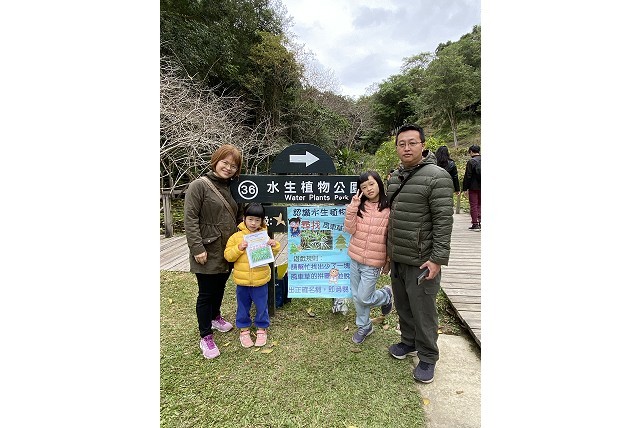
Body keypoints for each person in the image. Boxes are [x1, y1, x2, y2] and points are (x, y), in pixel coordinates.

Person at [386, 124, 454, 384]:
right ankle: (409, 341)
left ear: (423, 145)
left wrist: (437, 259)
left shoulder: (437, 177)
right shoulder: (395, 178)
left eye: (412, 143)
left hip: (423, 259)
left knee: (423, 309)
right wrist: (388, 253)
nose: (407, 148)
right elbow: (390, 218)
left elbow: (443, 222)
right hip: (399, 256)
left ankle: (428, 356)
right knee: (403, 304)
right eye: (401, 144)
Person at [184, 144, 243, 359]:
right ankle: (205, 336)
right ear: (216, 161)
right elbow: (190, 218)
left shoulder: (233, 187)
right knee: (206, 293)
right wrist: (197, 248)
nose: (228, 168)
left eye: (233, 166)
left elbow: (239, 217)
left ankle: (215, 317)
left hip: (227, 250)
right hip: (207, 249)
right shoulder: (199, 186)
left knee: (220, 287)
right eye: (225, 163)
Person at [343, 171, 393, 344]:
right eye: (364, 187)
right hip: (355, 257)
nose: (369, 189)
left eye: (371, 184)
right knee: (357, 295)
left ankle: (386, 295)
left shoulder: (389, 207)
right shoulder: (360, 206)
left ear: (379, 183)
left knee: (364, 297)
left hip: (373, 262)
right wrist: (353, 207)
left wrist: (388, 260)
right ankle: (364, 326)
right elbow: (349, 229)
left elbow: (391, 237)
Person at [224, 203, 281, 348]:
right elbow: (228, 256)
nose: (253, 223)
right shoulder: (236, 237)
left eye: (257, 220)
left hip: (260, 280)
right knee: (243, 306)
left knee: (262, 306)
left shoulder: (264, 237)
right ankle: (244, 330)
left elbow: (271, 256)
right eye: (250, 219)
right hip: (242, 281)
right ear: (244, 219)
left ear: (262, 221)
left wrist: (274, 246)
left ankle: (262, 328)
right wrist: (239, 248)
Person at [462, 144, 481, 231]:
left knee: (474, 205)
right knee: (481, 204)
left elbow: (468, 176)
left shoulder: (471, 162)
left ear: (471, 152)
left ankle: (475, 223)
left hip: (473, 187)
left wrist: (465, 188)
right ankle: (481, 221)